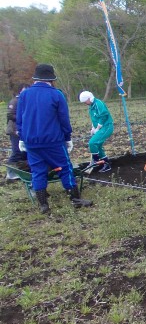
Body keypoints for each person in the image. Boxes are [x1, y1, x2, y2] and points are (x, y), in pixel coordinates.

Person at [16, 64, 93, 214]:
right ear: (51, 79)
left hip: (31, 141)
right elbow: (63, 119)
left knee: (38, 171)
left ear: (35, 79)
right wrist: (67, 137)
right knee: (64, 167)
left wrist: (22, 137)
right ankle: (75, 199)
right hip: (53, 141)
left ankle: (43, 204)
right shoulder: (56, 94)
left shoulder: (24, 95)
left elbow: (20, 118)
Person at [79, 91, 114, 173]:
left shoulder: (98, 104)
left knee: (92, 142)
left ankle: (95, 160)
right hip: (100, 127)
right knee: (98, 145)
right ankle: (106, 164)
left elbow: (104, 115)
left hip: (106, 126)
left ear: (89, 98)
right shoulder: (91, 106)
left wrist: (98, 127)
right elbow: (94, 118)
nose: (85, 103)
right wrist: (93, 128)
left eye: (85, 101)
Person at [5, 84, 28, 180]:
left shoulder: (26, 101)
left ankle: (23, 171)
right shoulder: (15, 101)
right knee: (17, 152)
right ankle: (10, 173)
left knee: (25, 152)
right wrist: (23, 118)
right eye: (24, 90)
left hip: (23, 130)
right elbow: (10, 115)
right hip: (14, 130)